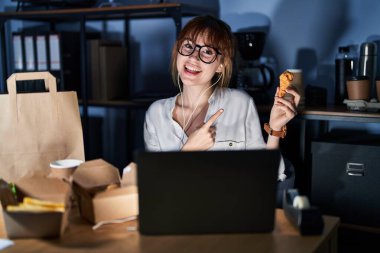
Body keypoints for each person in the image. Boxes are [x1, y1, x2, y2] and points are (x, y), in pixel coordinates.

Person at [143, 15, 300, 181]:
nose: (193, 57)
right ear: (177, 51)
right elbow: (156, 185)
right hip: (177, 206)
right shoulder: (156, 113)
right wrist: (189, 151)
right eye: (188, 46)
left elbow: (267, 176)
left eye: (208, 51)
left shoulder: (240, 103)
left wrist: (275, 129)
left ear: (221, 65)